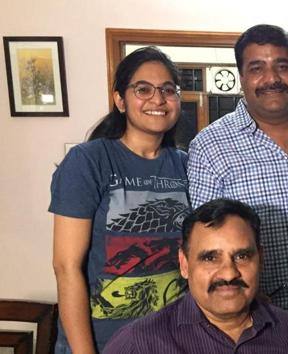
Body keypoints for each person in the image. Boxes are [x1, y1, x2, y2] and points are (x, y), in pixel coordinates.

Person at [187, 24, 288, 346]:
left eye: (282, 66)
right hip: (256, 327)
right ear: (242, 77)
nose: (271, 78)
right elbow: (205, 244)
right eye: (257, 68)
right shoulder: (211, 146)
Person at [50, 47, 190, 353]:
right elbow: (66, 267)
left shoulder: (186, 164)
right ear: (120, 101)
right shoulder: (88, 161)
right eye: (143, 89)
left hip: (169, 342)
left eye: (168, 90)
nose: (158, 99)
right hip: (101, 342)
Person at [103, 199, 288, 353]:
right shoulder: (139, 344)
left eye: (242, 256)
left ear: (260, 259)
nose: (229, 273)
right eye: (210, 258)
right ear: (184, 264)